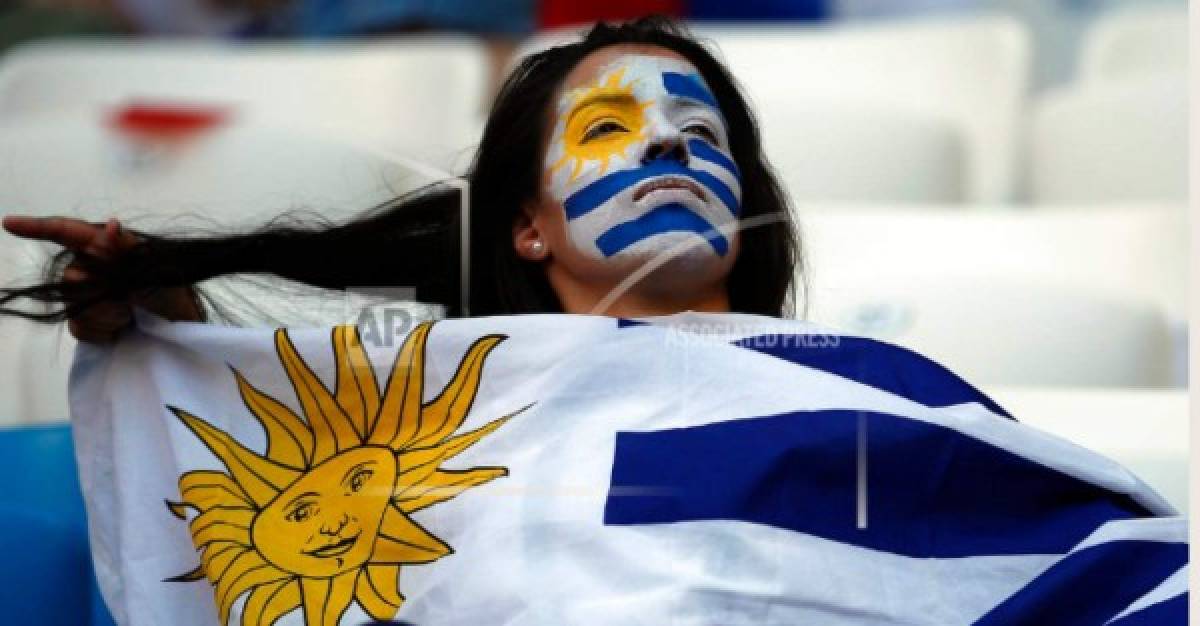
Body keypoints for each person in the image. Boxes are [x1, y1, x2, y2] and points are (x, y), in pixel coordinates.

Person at [0, 15, 799, 338]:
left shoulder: (869, 395)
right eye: (605, 128)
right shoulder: (429, 406)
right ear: (529, 227)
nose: (669, 143)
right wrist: (164, 321)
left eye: (701, 131)